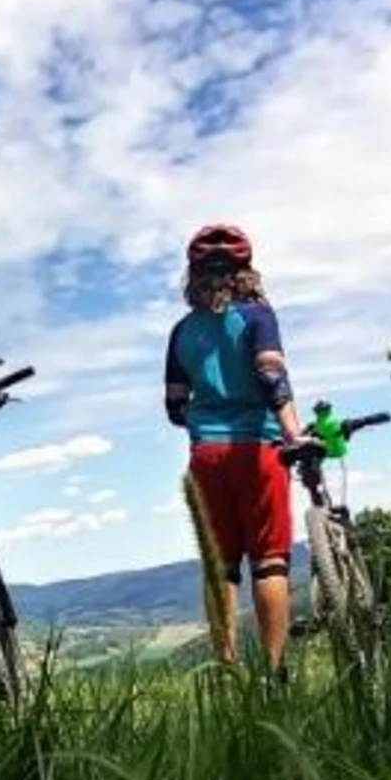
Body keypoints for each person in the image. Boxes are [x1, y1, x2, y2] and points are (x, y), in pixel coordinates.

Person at [164, 224, 303, 676]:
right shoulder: (258, 317)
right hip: (259, 448)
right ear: (246, 270)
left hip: (206, 455)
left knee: (220, 566)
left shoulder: (181, 332)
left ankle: (228, 672)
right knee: (269, 562)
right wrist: (293, 433)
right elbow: (270, 376)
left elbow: (174, 405)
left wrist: (206, 423)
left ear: (193, 276)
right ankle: (275, 674)